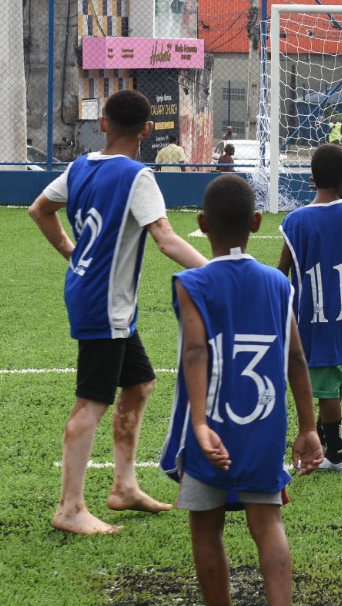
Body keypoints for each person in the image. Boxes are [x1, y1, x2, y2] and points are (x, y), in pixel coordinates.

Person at [159, 173, 322, 606]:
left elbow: (194, 349)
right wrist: (309, 428)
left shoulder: (193, 282)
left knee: (205, 529)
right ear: (257, 222)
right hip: (265, 426)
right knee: (267, 523)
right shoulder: (278, 284)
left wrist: (203, 423)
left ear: (202, 224)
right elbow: (296, 357)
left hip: (210, 430)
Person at [28, 89, 210, 536]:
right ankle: (70, 508)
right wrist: (221, 270)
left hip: (99, 297)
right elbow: (165, 239)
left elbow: (40, 209)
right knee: (91, 401)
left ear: (103, 123)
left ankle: (124, 486)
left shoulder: (80, 166)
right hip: (104, 303)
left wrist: (72, 252)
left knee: (140, 383)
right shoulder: (138, 176)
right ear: (147, 130)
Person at [276, 143, 342, 473]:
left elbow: (282, 271)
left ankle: (336, 455)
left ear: (313, 179)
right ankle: (330, 445)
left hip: (315, 319)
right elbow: (341, 204)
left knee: (327, 390)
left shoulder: (295, 222)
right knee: (335, 382)